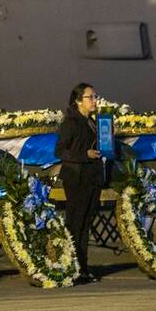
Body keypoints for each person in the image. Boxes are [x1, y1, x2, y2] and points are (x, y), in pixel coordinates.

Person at [54, 83, 104, 282]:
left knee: (85, 224)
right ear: (77, 101)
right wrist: (85, 154)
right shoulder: (71, 122)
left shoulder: (92, 122)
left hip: (92, 177)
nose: (94, 101)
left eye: (95, 96)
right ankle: (72, 267)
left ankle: (83, 267)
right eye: (90, 97)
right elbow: (60, 151)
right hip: (77, 178)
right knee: (76, 223)